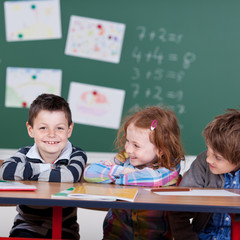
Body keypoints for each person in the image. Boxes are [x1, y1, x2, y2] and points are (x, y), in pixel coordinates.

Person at [84, 106, 184, 240]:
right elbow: (90, 172)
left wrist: (113, 177)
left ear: (161, 149)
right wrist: (123, 170)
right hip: (116, 234)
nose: (129, 149)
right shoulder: (124, 159)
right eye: (127, 141)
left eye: (136, 145)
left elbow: (153, 179)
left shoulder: (170, 168)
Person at [0, 93, 87, 239]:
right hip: (26, 226)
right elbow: (6, 170)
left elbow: (69, 175)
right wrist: (48, 168)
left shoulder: (76, 154)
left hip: (65, 229)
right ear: (30, 130)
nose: (51, 134)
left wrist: (28, 171)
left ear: (69, 130)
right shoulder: (25, 153)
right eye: (43, 128)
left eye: (59, 128)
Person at [168, 109, 240, 240]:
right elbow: (178, 208)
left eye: (218, 157)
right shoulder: (202, 164)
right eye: (208, 149)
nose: (208, 160)